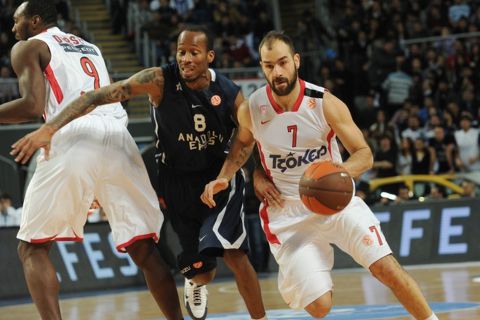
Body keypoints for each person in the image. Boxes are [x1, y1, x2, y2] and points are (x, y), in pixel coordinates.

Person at [10, 25, 266, 320]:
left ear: (209, 56)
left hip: (216, 177)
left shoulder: (230, 93)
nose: (186, 59)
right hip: (176, 180)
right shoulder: (158, 79)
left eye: (194, 53)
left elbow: (247, 138)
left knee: (234, 255)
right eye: (181, 52)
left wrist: (234, 174)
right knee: (201, 272)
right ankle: (195, 281)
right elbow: (97, 96)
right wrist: (50, 127)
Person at [200, 31, 438, 319]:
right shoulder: (252, 109)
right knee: (319, 307)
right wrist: (226, 176)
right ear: (262, 67)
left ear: (296, 61)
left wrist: (335, 174)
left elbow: (364, 154)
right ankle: (304, 272)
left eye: (283, 62)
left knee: (386, 267)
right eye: (268, 65)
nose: (277, 72)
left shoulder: (324, 103)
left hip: (337, 202)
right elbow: (243, 146)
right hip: (287, 212)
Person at [1, 1, 182, 319]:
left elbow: (32, 105)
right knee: (143, 248)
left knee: (32, 248)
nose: (12, 28)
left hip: (73, 134)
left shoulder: (27, 47)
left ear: (35, 21)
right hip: (118, 138)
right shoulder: (90, 46)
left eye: (17, 21)